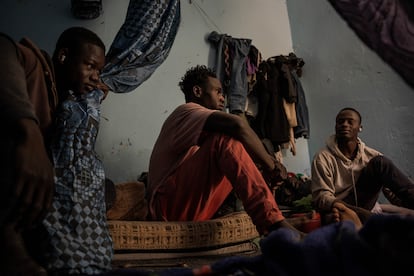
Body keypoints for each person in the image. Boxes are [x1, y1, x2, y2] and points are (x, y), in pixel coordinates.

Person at [0, 27, 112, 275]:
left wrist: (89, 103)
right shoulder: (34, 65)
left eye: (99, 72)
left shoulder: (65, 100)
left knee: (103, 187)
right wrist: (27, 130)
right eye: (90, 66)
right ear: (63, 57)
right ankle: (9, 246)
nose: (96, 76)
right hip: (12, 156)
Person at [146, 65, 302, 237]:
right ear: (197, 91)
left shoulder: (200, 128)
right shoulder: (185, 111)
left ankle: (272, 218)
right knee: (225, 140)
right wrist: (272, 164)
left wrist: (264, 167)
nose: (223, 99)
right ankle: (273, 224)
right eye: (218, 92)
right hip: (166, 208)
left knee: (243, 154)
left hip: (189, 209)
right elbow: (238, 125)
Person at [311, 107, 414, 225]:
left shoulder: (371, 156)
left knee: (380, 162)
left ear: (360, 128)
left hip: (364, 203)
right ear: (335, 127)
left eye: (350, 121)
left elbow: (390, 190)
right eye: (340, 122)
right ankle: (363, 219)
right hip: (339, 206)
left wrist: (404, 206)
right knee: (332, 218)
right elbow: (321, 197)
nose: (344, 125)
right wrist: (348, 210)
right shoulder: (322, 157)